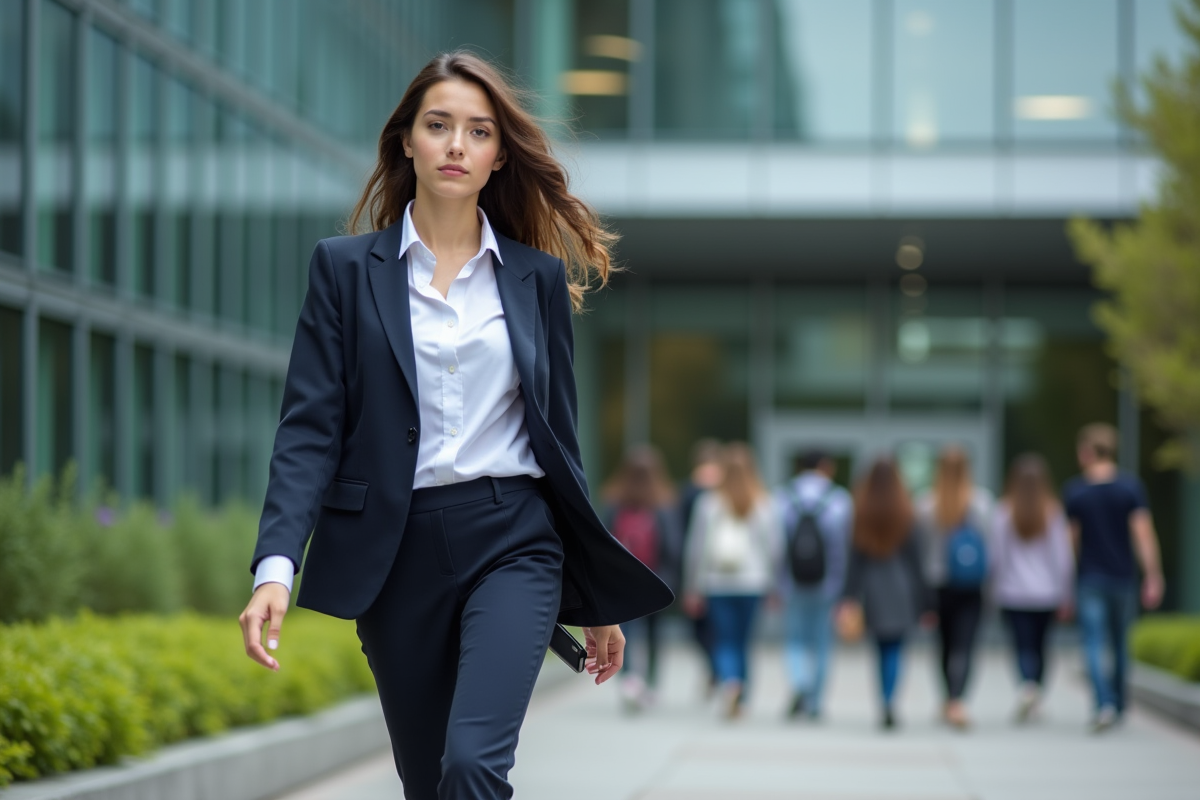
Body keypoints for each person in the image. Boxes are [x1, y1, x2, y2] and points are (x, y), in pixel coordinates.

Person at [237, 51, 672, 800]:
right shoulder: (343, 270)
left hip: (513, 541)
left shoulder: (532, 279)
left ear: (500, 155)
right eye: (438, 126)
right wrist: (276, 565)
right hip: (393, 553)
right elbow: (310, 427)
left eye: (478, 131)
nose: (456, 145)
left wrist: (594, 594)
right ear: (407, 139)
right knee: (429, 782)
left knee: (473, 765)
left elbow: (559, 446)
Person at [1065, 423, 1164, 733]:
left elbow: (1071, 543)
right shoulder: (1130, 487)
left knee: (1093, 642)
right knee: (1120, 643)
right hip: (1122, 577)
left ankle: (1103, 703)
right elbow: (1143, 535)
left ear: (1087, 452)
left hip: (1091, 578)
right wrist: (1153, 575)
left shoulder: (1076, 491)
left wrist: (1067, 580)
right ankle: (1118, 704)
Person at [683, 442, 782, 719]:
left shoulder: (708, 503)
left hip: (717, 583)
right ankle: (743, 695)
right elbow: (774, 549)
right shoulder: (764, 502)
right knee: (744, 641)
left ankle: (731, 682)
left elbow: (696, 548)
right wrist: (774, 584)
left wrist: (692, 586)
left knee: (724, 640)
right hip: (753, 583)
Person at [840, 457, 928, 730]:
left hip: (872, 586)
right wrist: (924, 601)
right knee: (896, 648)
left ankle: (883, 700)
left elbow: (854, 560)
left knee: (879, 648)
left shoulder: (861, 511)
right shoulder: (907, 511)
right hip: (901, 585)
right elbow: (916, 561)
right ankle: (891, 700)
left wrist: (849, 596)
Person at [990, 454, 1074, 722]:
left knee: (1021, 646)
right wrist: (1065, 592)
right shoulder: (1053, 513)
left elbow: (997, 557)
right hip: (1046, 593)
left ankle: (1027, 685)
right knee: (1041, 646)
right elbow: (1062, 558)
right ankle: (1035, 690)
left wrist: (995, 588)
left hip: (1013, 592)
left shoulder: (1003, 512)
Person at [915, 446, 993, 730]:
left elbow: (921, 550)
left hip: (937, 585)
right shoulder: (981, 503)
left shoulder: (926, 504)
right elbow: (989, 548)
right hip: (971, 585)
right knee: (966, 644)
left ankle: (948, 698)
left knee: (944, 645)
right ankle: (958, 700)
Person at [600, 445, 683, 711]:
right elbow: (673, 547)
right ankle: (651, 683)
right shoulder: (664, 502)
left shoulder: (614, 501)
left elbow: (602, 542)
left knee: (625, 631)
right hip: (655, 581)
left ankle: (629, 680)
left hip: (623, 581)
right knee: (654, 635)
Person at [778, 450, 852, 720]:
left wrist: (776, 581)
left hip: (792, 580)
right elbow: (844, 547)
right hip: (828, 582)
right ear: (825, 466)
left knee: (795, 638)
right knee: (822, 641)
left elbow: (778, 545)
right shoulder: (839, 499)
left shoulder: (784, 497)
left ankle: (800, 683)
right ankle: (816, 702)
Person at [678, 438, 724, 691]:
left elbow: (684, 534)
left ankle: (716, 667)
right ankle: (719, 669)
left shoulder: (688, 491)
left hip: (698, 566)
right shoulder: (730, 489)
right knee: (721, 627)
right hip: (727, 568)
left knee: (697, 628)